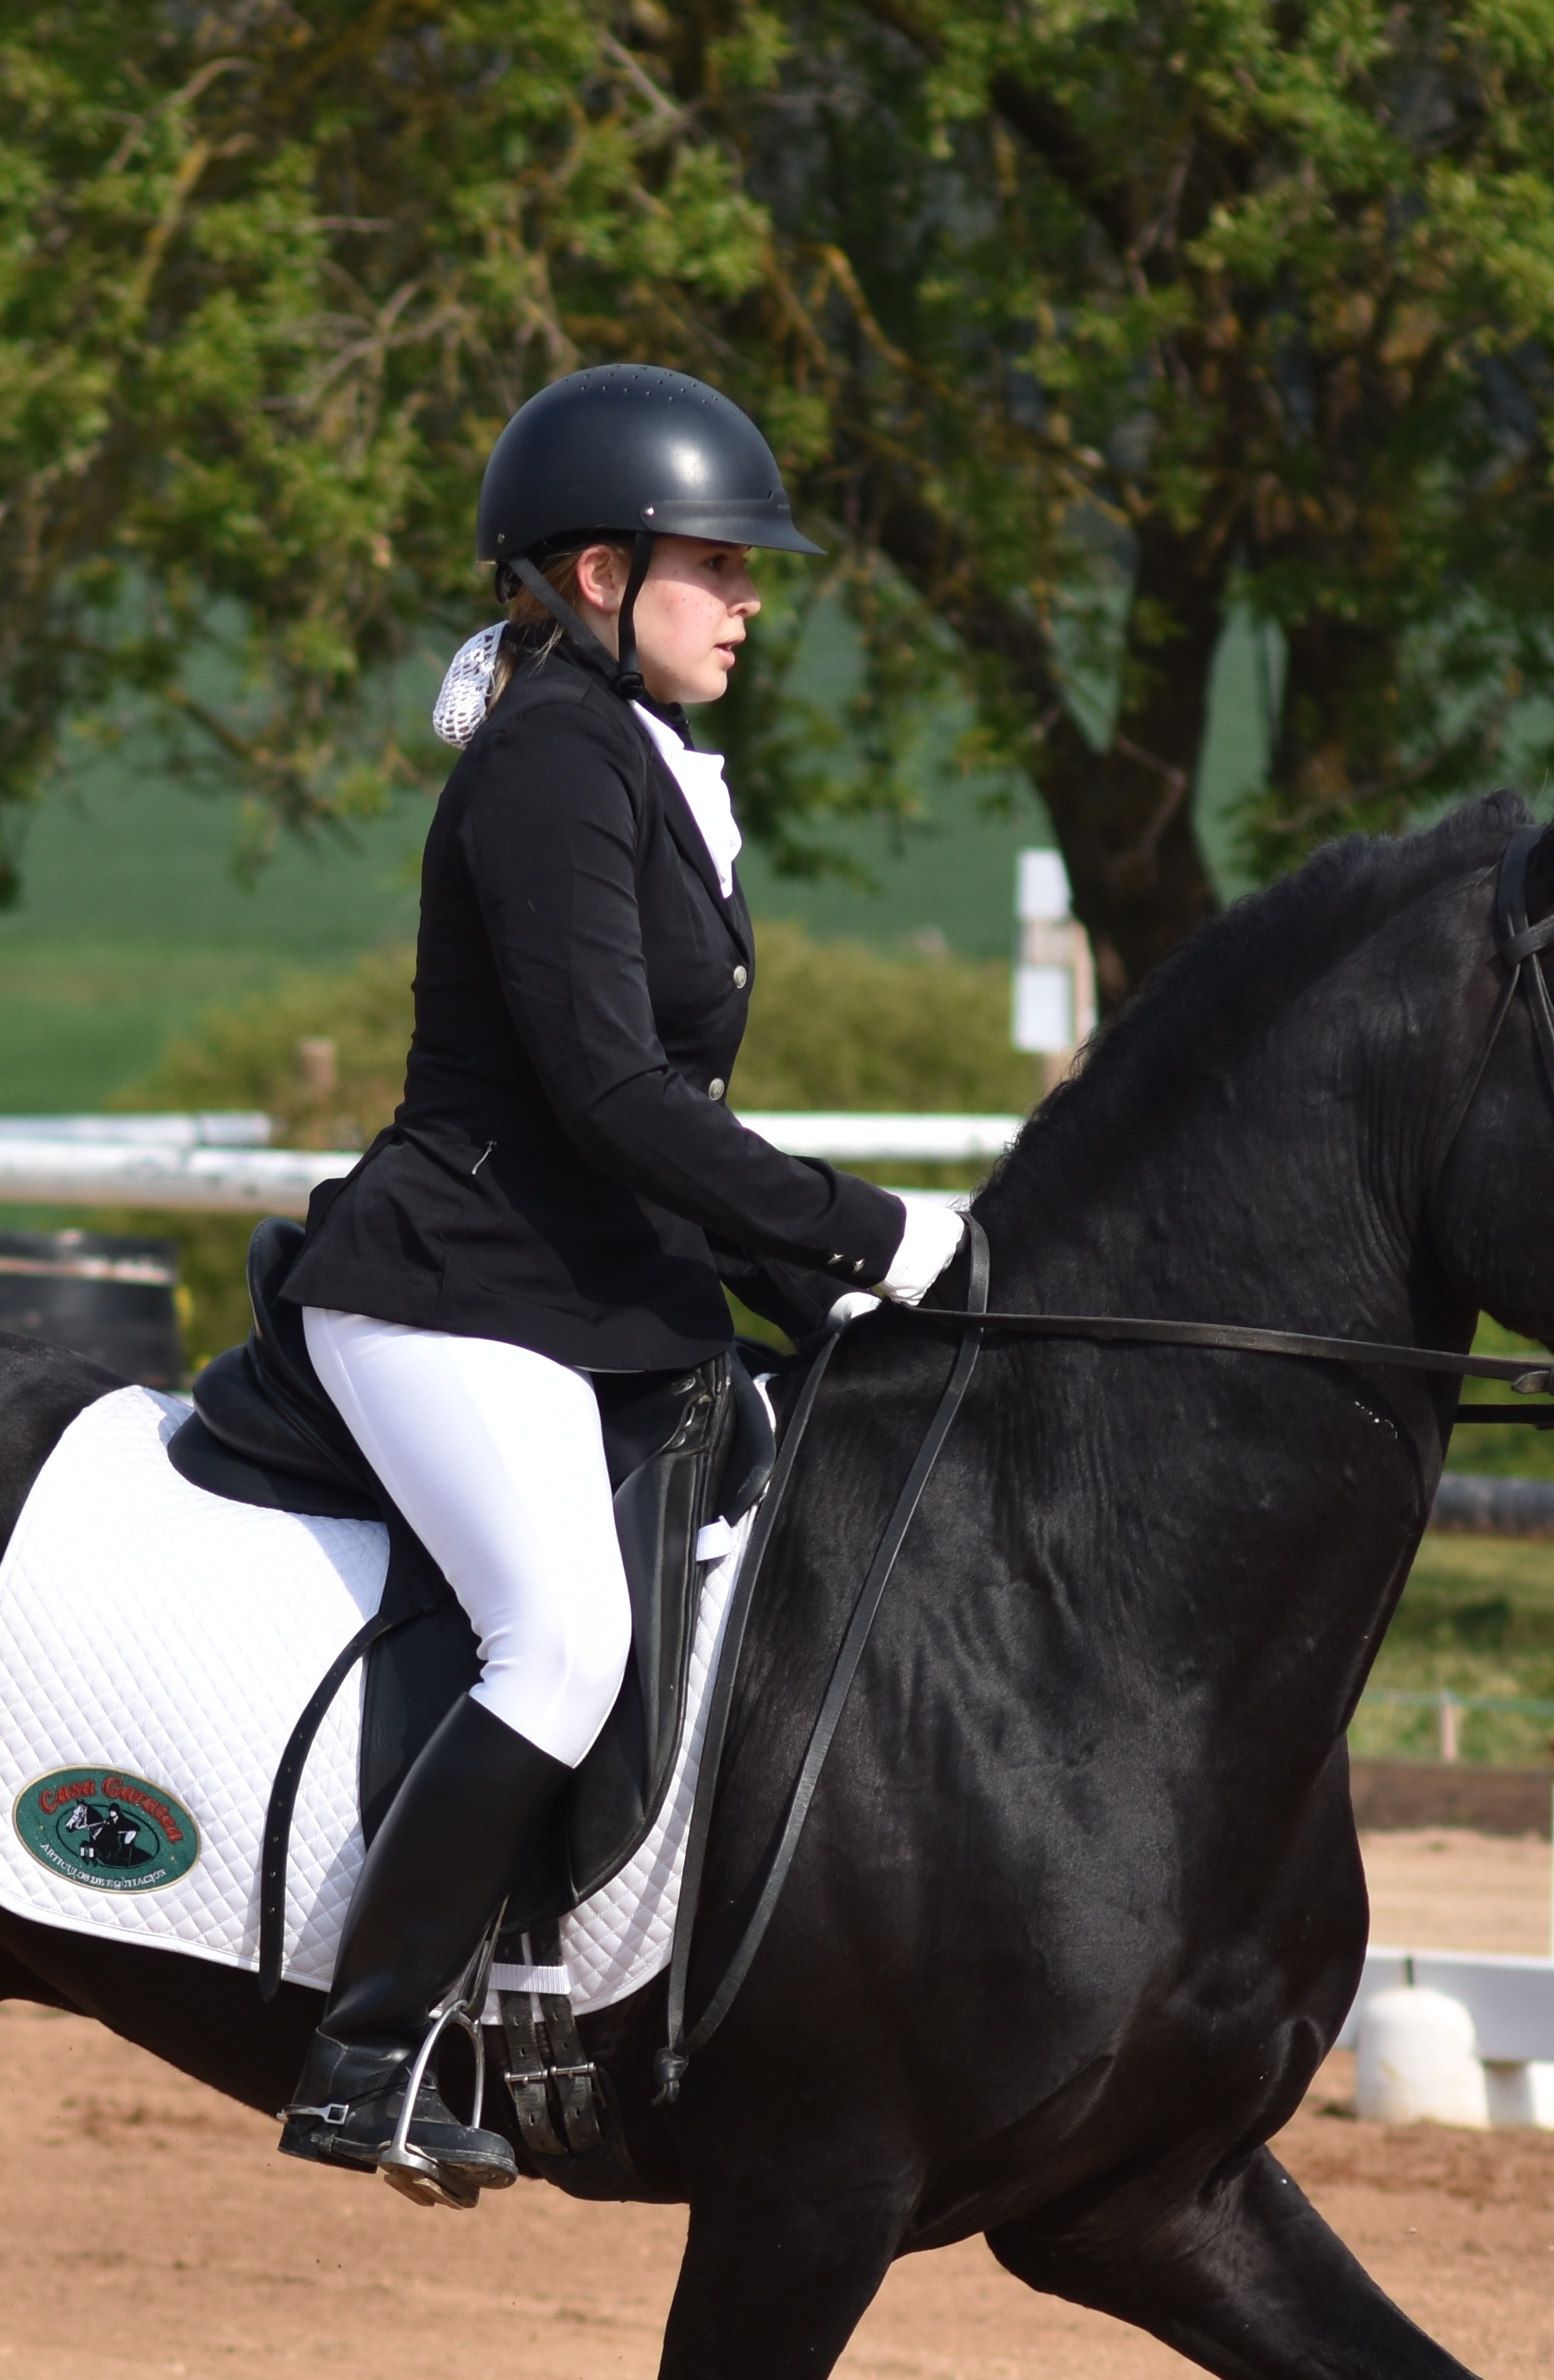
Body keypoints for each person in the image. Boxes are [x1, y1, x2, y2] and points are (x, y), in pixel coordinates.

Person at [273, 363, 968, 2202]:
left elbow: (667, 1125)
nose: (751, 599)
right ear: (598, 572)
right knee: (561, 1635)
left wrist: (823, 1286)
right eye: (719, 567)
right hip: (449, 1287)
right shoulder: (550, 764)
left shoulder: (634, 752)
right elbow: (613, 1096)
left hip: (582, 1281)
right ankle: (365, 2047)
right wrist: (866, 1228)